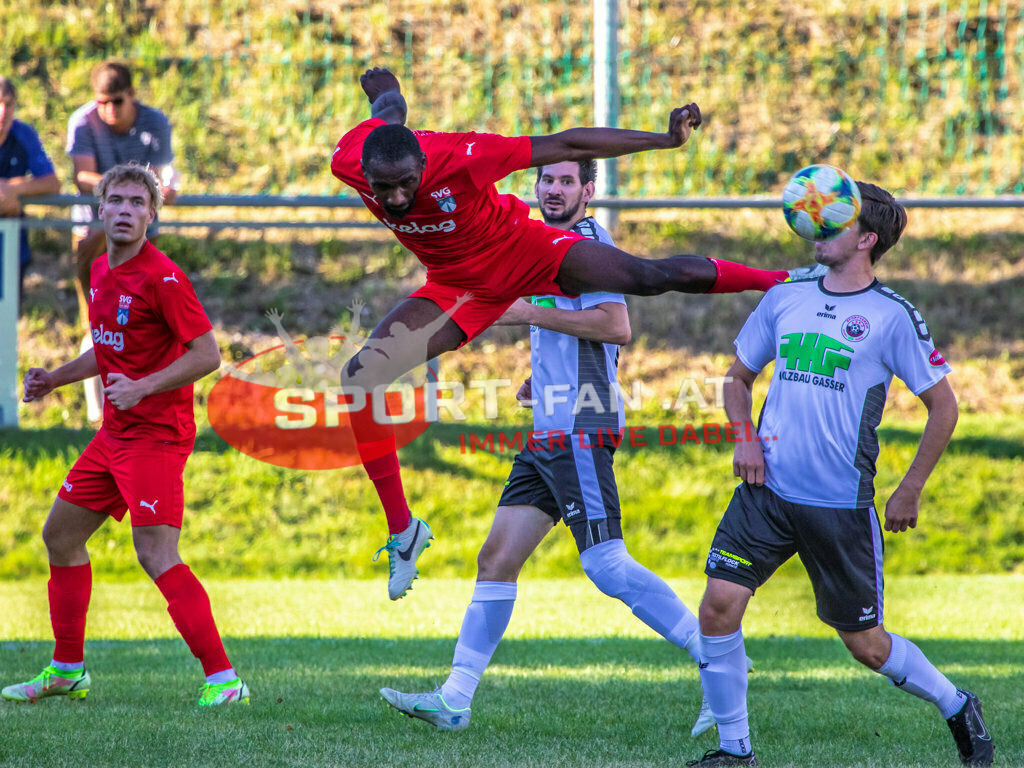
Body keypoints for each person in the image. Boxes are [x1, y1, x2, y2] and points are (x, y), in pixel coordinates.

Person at [330, 67, 819, 600]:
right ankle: (404, 532)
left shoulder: (462, 155)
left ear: (424, 162)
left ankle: (788, 282)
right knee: (360, 378)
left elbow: (568, 142)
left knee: (649, 277)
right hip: (456, 289)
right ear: (364, 173)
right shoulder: (350, 160)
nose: (398, 198)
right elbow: (389, 112)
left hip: (525, 254)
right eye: (385, 188)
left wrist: (663, 139)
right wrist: (380, 86)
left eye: (408, 182)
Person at [379, 159, 749, 733]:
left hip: (581, 420)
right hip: (548, 424)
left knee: (605, 564)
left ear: (588, 190)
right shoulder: (542, 241)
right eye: (546, 179)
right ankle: (455, 699)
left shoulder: (587, 245)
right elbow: (569, 324)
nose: (553, 189)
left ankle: (720, 660)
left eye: (566, 181)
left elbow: (614, 324)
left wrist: (526, 312)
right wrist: (541, 371)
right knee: (496, 560)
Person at [686, 183, 992, 767]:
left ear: (867, 239)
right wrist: (745, 437)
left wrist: (910, 487)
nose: (816, 226)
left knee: (867, 646)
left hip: (839, 506)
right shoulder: (786, 297)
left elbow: (945, 407)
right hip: (765, 493)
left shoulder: (892, 317)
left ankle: (956, 704)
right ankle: (734, 751)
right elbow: (736, 378)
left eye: (834, 219)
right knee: (718, 606)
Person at [2, 163, 248, 707]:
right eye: (116, 201)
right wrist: (54, 379)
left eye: (138, 203)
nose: (125, 211)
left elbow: (207, 354)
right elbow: (109, 346)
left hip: (156, 436)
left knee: (157, 553)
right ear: (100, 208)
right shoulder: (99, 270)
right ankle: (67, 670)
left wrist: (143, 388)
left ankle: (225, 682)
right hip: (115, 434)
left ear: (151, 216)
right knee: (60, 538)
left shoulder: (163, 278)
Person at [66, 60, 178, 328]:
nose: (108, 109)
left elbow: (161, 176)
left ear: (132, 94)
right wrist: (131, 191)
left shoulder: (155, 121)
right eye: (102, 102)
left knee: (141, 304)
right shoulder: (82, 121)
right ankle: (94, 343)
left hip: (141, 228)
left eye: (116, 101)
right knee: (95, 310)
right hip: (92, 225)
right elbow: (82, 177)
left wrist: (166, 189)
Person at [0, 76, 61, 303]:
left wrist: (12, 189)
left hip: (12, 247)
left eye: (9, 103)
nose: (3, 111)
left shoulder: (23, 133)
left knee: (8, 319)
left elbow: (52, 183)